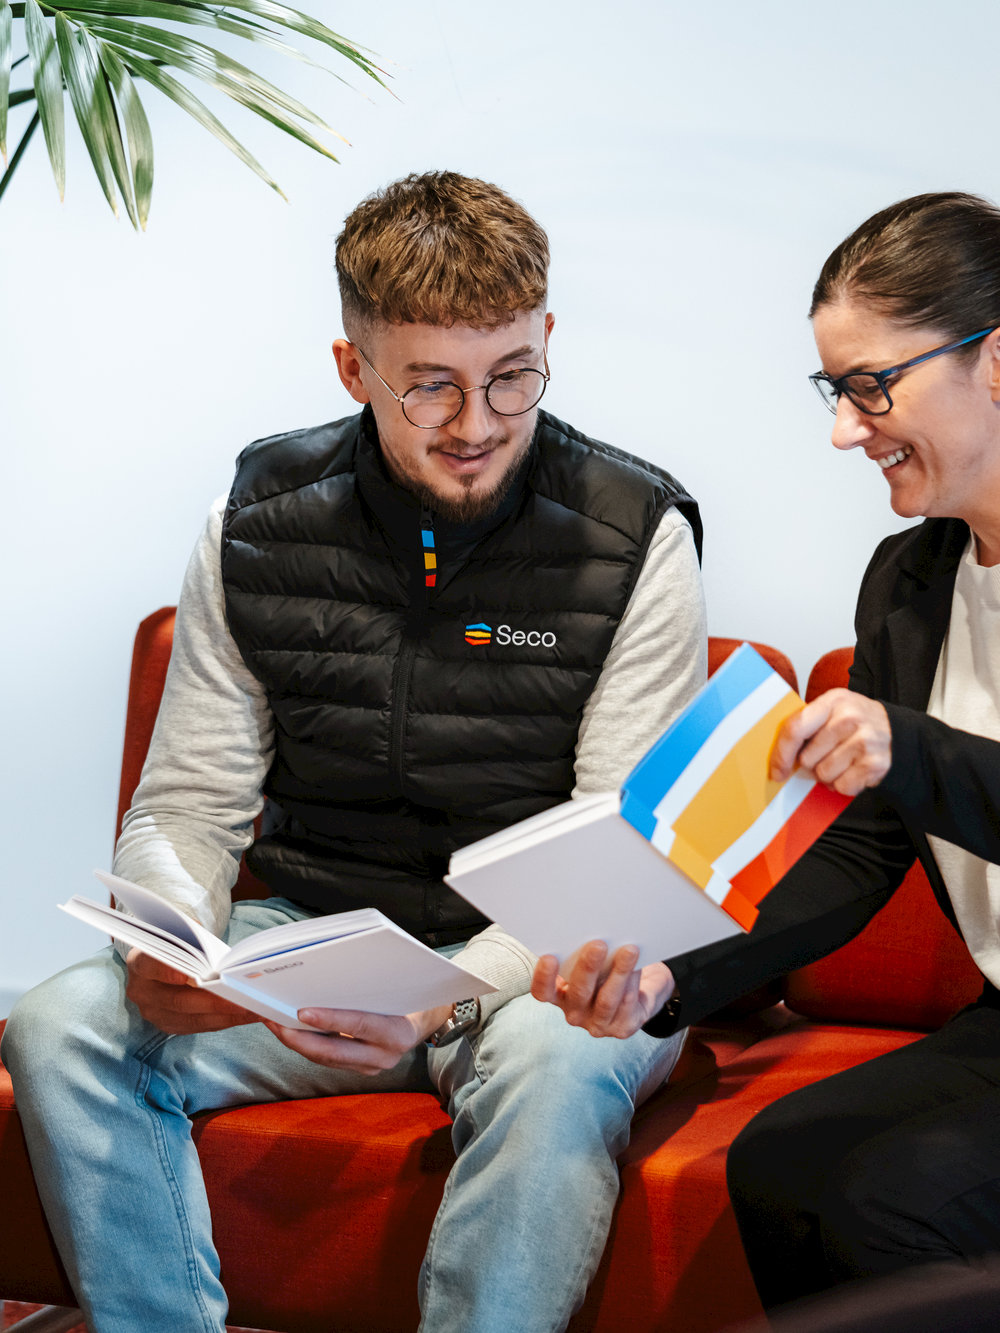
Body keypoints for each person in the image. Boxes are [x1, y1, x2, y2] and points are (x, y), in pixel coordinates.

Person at [1, 171, 707, 1333]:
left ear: (546, 341)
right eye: (429, 385)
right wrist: (176, 934)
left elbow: (613, 857)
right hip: (317, 948)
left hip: (538, 972)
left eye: (512, 376)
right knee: (60, 1023)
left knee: (565, 1059)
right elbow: (186, 798)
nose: (477, 424)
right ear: (353, 369)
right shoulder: (258, 524)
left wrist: (434, 1004)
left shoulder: (639, 536)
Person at [532, 190, 1000, 1312]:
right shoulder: (910, 585)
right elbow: (859, 857)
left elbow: (920, 771)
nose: (845, 429)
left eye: (870, 386)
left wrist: (908, 746)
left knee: (891, 1200)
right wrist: (665, 978)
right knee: (778, 1163)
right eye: (833, 391)